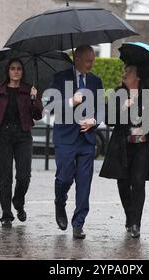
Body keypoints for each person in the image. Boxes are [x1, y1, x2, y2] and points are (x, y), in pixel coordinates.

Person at [99, 64, 149, 238]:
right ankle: (129, 216)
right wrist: (123, 107)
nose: (124, 74)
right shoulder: (117, 94)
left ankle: (135, 223)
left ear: (138, 77)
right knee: (123, 183)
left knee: (139, 182)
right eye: (124, 71)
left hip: (143, 146)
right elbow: (109, 120)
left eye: (129, 72)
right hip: (122, 147)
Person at [0, 58, 43, 227]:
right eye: (12, 68)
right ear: (8, 71)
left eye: (19, 69)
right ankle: (6, 214)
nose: (15, 72)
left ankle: (18, 202)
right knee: (5, 177)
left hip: (23, 136)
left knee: (24, 176)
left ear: (22, 72)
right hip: (3, 137)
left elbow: (37, 115)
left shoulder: (29, 91)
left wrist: (35, 98)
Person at [48, 45, 103, 239]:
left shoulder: (96, 81)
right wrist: (72, 101)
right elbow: (51, 106)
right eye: (88, 60)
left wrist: (94, 121)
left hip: (87, 140)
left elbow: (101, 108)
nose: (91, 63)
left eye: (93, 60)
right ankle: (59, 202)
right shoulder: (60, 78)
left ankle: (78, 223)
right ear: (76, 58)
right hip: (65, 138)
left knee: (84, 183)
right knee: (64, 178)